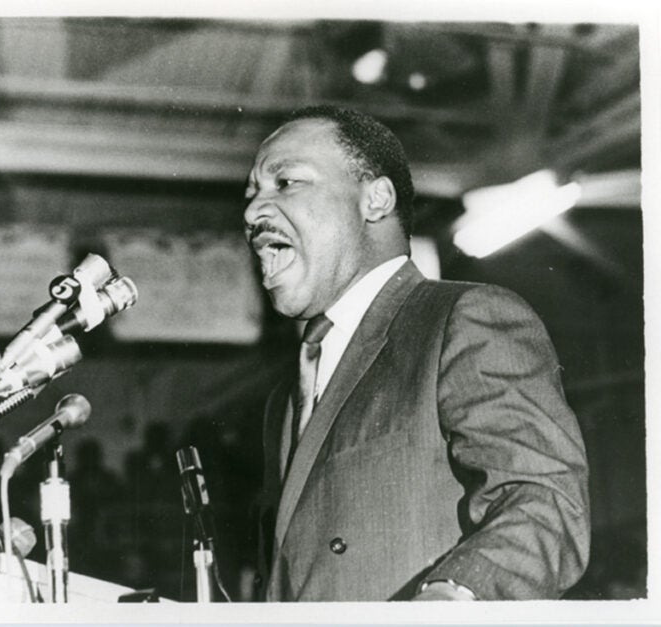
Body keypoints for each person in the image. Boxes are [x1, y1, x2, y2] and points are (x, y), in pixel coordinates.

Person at [242, 105, 590, 601]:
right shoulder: (287, 397)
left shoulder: (464, 319)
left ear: (375, 199)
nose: (253, 211)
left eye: (286, 183)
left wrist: (452, 597)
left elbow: (544, 501)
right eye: (251, 194)